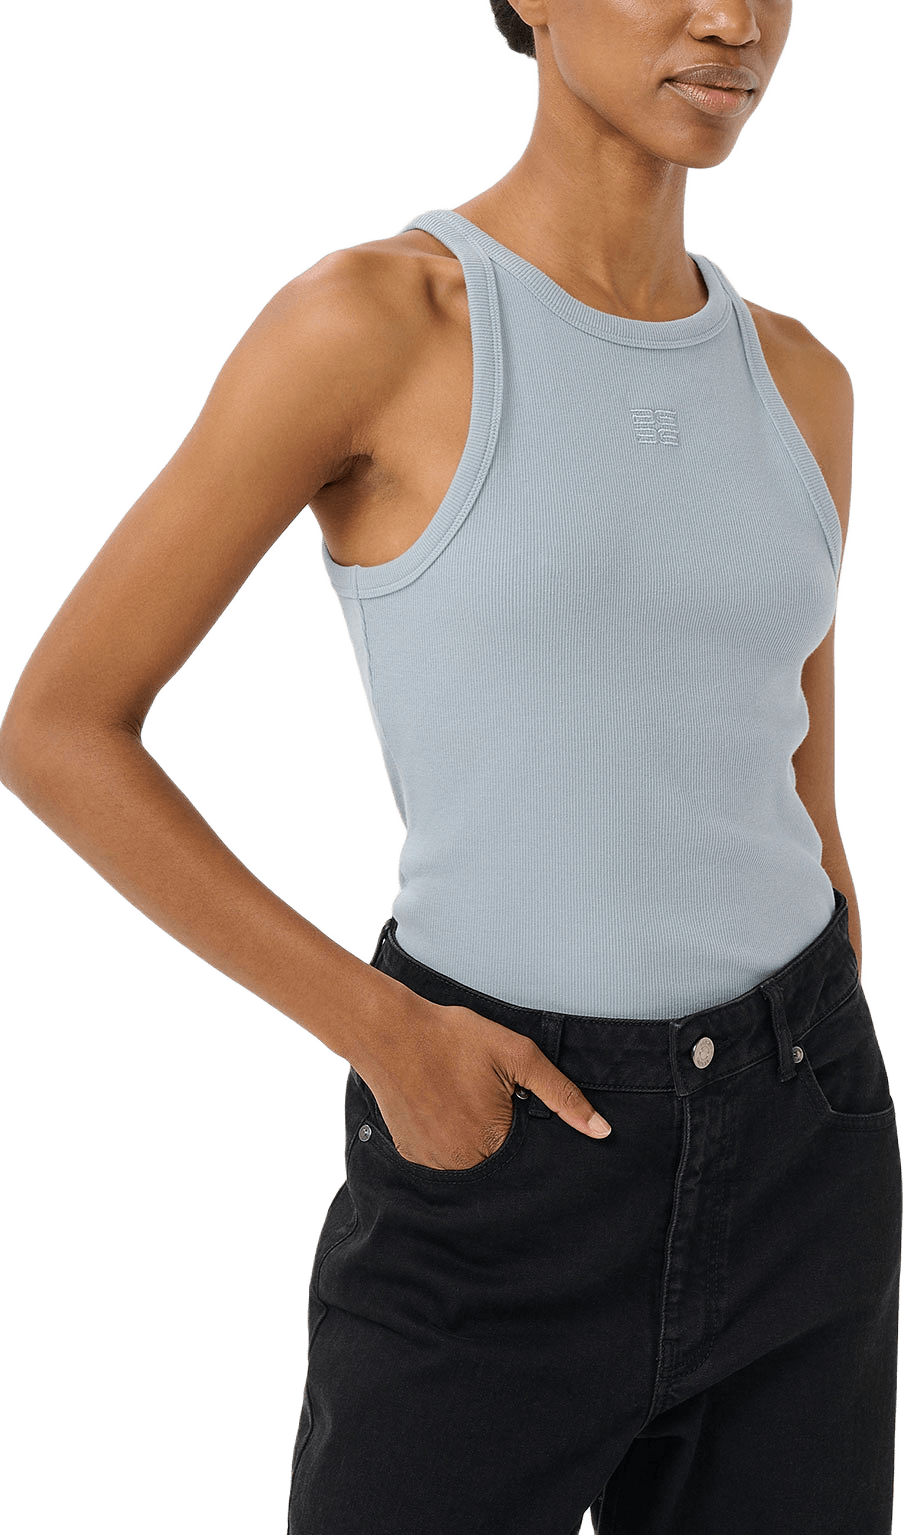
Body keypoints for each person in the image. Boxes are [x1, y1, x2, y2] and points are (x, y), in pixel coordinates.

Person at [1, 0, 900, 1531]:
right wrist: (384, 1033)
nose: (733, 20)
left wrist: (820, 989)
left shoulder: (802, 380)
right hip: (496, 1154)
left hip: (800, 1143)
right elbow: (59, 726)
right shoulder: (378, 321)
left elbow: (791, 750)